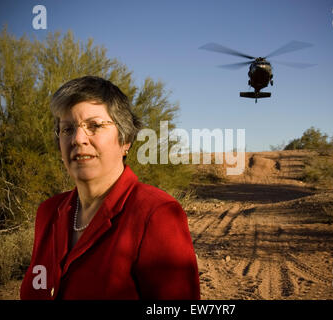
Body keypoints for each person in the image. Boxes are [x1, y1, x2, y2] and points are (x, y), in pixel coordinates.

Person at [20, 76, 200, 300]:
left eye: (94, 126)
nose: (78, 138)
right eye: (67, 129)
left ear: (125, 141)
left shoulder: (156, 214)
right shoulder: (48, 213)